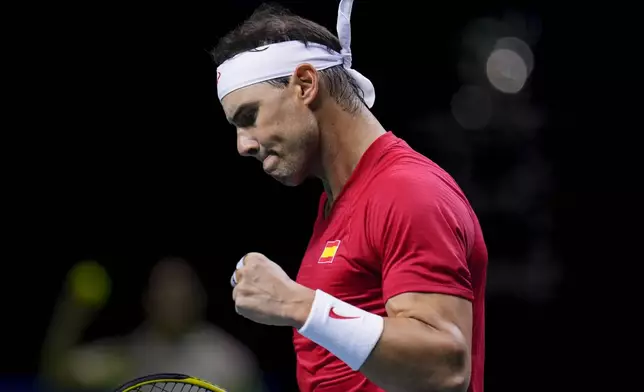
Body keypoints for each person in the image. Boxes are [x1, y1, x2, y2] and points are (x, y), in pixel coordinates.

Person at [215, 1, 488, 391]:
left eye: (249, 116)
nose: (243, 144)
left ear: (306, 85)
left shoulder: (407, 192)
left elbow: (444, 368)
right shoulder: (338, 203)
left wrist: (298, 304)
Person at [40, 257, 264, 392]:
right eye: (164, 291)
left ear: (199, 299)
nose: (173, 298)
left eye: (182, 291)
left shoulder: (231, 360)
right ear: (149, 300)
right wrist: (73, 311)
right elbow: (57, 374)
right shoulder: (124, 357)